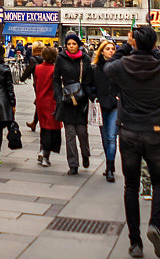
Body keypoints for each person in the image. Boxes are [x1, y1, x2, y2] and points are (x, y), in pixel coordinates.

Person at [101, 26, 160, 259]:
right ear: (154, 45)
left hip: (129, 131)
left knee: (131, 186)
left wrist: (126, 46)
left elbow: (109, 66)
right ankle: (155, 224)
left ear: (133, 43)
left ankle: (135, 242)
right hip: (154, 129)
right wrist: (152, 51)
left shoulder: (121, 66)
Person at [53, 32, 94, 175]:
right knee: (70, 133)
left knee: (82, 132)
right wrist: (59, 98)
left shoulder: (85, 59)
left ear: (78, 45)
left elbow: (89, 80)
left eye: (74, 44)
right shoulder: (61, 58)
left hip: (81, 99)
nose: (71, 46)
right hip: (67, 100)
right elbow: (56, 79)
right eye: (69, 44)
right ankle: (73, 164)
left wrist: (89, 96)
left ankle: (85, 153)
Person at [27, 47, 61, 167]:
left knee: (43, 127)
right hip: (51, 101)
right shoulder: (55, 69)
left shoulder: (38, 68)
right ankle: (45, 154)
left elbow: (36, 83)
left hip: (41, 100)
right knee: (51, 128)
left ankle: (42, 150)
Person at [93, 39, 119, 181]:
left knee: (111, 137)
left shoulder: (117, 67)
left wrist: (119, 96)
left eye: (113, 49)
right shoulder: (95, 68)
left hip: (114, 105)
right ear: (102, 51)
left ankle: (110, 168)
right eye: (108, 48)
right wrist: (93, 96)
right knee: (105, 138)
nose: (111, 51)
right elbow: (89, 84)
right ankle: (110, 163)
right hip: (100, 105)